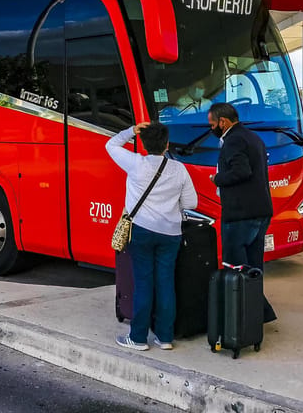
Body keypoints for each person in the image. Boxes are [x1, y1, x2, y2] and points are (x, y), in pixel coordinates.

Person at [107, 121, 197, 351]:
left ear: (144, 145)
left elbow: (111, 145)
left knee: (143, 283)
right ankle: (165, 338)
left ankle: (137, 338)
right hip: (171, 234)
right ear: (167, 145)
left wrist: (131, 131)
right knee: (166, 283)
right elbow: (191, 203)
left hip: (142, 231)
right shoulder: (179, 169)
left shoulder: (136, 163)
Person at [208, 103, 278, 322]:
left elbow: (241, 171)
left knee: (236, 268)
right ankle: (257, 313)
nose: (211, 128)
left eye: (212, 123)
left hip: (241, 214)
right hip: (260, 211)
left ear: (223, 122)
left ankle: (244, 316)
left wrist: (217, 179)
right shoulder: (252, 137)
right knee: (254, 267)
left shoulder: (233, 140)